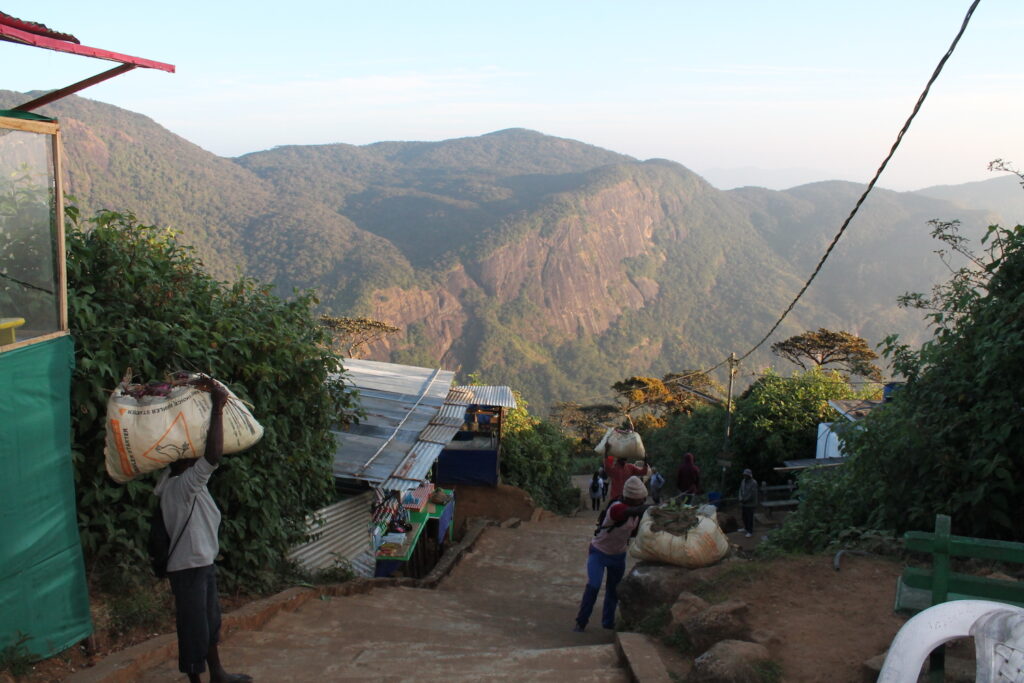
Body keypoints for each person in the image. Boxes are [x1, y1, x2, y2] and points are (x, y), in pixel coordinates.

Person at [154, 378, 252, 683]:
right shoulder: (182, 485)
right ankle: (196, 679)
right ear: (183, 461)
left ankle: (217, 673)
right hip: (189, 566)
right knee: (194, 626)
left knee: (208, 622)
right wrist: (218, 410)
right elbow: (212, 456)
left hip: (200, 563)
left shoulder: (175, 483)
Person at [574, 476, 650, 632]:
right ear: (632, 498)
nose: (642, 502)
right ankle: (581, 621)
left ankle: (608, 622)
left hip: (618, 555)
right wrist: (650, 509)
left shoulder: (636, 514)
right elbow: (631, 511)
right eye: (640, 499)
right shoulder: (616, 507)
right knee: (593, 586)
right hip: (599, 553)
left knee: (613, 591)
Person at [738, 468, 758, 538]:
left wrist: (745, 500)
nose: (745, 476)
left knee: (750, 517)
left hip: (750, 504)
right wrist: (740, 498)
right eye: (744, 475)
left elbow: (752, 494)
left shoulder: (754, 483)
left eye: (746, 475)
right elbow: (740, 490)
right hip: (744, 503)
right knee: (744, 516)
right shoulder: (743, 481)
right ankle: (745, 528)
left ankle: (750, 531)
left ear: (749, 475)